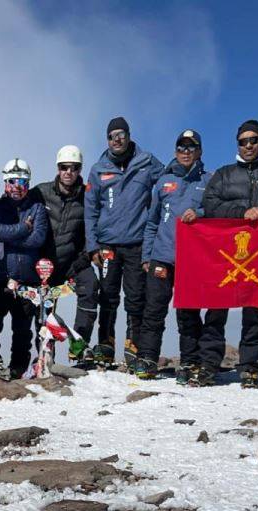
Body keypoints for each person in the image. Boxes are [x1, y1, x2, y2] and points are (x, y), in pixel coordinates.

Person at [202, 120, 258, 388]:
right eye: (243, 141)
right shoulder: (224, 174)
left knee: (254, 310)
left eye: (254, 140)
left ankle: (249, 367)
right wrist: (241, 212)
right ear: (237, 144)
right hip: (225, 253)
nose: (248, 145)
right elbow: (210, 205)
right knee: (216, 308)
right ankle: (209, 364)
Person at [136, 129, 216, 383]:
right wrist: (147, 257)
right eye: (181, 147)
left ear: (200, 151)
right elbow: (152, 222)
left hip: (192, 259)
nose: (186, 152)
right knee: (154, 310)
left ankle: (191, 361)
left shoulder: (209, 180)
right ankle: (148, 359)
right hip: (161, 256)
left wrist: (200, 212)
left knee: (189, 313)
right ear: (175, 151)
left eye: (191, 147)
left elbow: (216, 211)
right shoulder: (164, 181)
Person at [84, 117, 162, 369]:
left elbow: (170, 179)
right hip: (107, 244)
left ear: (128, 135)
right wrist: (92, 246)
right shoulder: (98, 170)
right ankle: (106, 344)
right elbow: (90, 210)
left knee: (136, 296)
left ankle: (133, 342)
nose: (117, 139)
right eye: (111, 136)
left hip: (137, 243)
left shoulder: (147, 162)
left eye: (121, 134)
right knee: (107, 295)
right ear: (106, 140)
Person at [30, 146, 97, 363]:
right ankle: (44, 355)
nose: (68, 172)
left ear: (80, 169)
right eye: (64, 167)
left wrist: (84, 258)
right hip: (46, 263)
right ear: (58, 168)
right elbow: (20, 206)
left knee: (90, 285)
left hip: (73, 261)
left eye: (74, 167)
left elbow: (95, 228)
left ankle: (79, 347)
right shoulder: (41, 192)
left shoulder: (88, 196)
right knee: (43, 308)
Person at [0, 158, 50, 378]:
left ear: (29, 183)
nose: (17, 186)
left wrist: (10, 237)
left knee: (22, 329)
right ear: (5, 182)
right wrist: (23, 228)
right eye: (12, 180)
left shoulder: (37, 208)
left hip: (28, 280)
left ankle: (17, 369)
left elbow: (38, 238)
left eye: (22, 181)